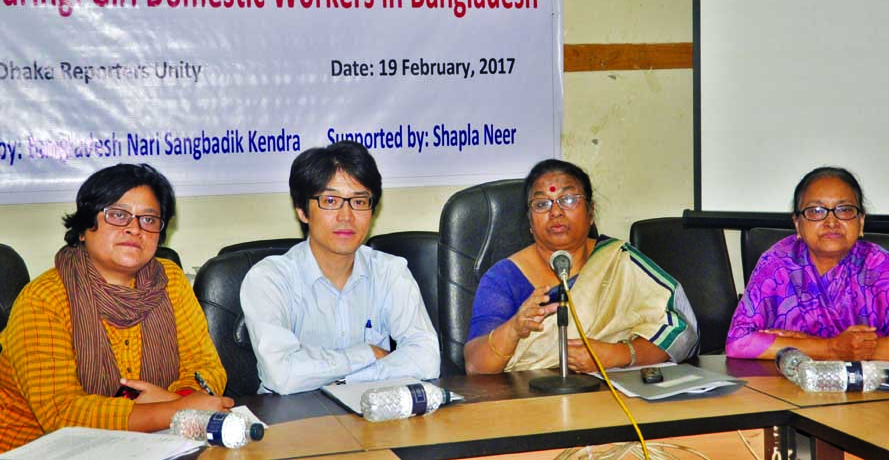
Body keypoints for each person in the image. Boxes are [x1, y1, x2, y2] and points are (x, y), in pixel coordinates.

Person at [0, 164, 231, 452]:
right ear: (84, 228)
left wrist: (182, 395)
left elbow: (205, 366)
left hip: (150, 446)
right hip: (38, 450)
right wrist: (176, 408)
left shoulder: (170, 281)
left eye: (149, 219)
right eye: (118, 215)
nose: (134, 228)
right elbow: (62, 413)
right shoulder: (43, 299)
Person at [240, 141, 439, 394]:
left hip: (373, 420)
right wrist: (366, 353)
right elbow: (282, 375)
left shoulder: (390, 272)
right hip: (293, 422)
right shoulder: (269, 279)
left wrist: (347, 381)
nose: (346, 216)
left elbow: (427, 358)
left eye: (359, 201)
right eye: (331, 200)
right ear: (302, 211)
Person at [464, 159, 698, 374]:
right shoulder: (504, 278)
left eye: (568, 200)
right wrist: (513, 329)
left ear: (590, 213)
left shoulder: (619, 261)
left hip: (613, 398)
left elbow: (680, 330)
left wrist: (615, 354)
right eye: (542, 203)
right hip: (528, 404)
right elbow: (475, 366)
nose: (555, 212)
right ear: (530, 222)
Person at [727, 166, 889, 360]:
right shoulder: (778, 263)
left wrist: (850, 349)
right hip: (787, 385)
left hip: (867, 385)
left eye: (844, 210)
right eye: (816, 211)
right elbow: (738, 343)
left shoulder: (880, 265)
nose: (831, 221)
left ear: (860, 222)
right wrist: (831, 348)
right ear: (797, 223)